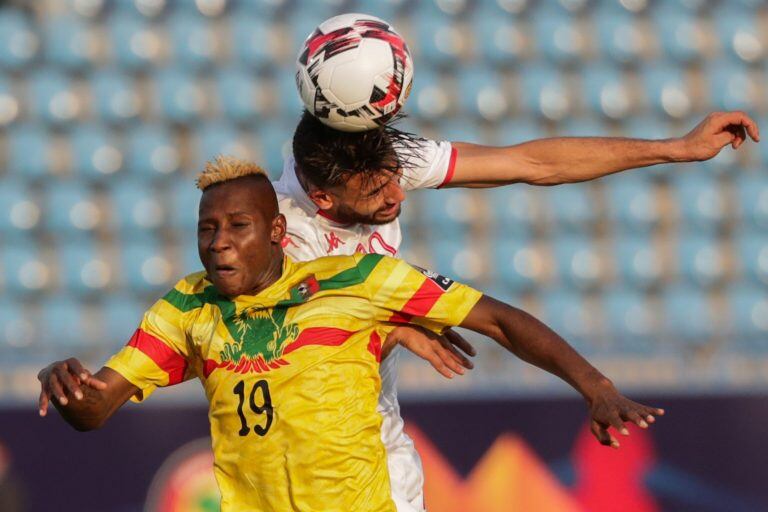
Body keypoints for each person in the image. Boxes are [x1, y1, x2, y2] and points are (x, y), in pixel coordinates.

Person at [38, 159, 664, 512]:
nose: (219, 242)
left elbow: (496, 318)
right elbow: (95, 409)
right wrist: (62, 382)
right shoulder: (187, 307)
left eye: (237, 226)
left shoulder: (358, 281)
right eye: (207, 229)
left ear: (279, 233)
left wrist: (595, 384)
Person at [275, 108, 760, 510]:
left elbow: (532, 162)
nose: (399, 194)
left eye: (397, 177)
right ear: (321, 198)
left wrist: (675, 148)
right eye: (378, 192)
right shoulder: (278, 239)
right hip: (293, 463)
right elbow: (271, 344)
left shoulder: (368, 161)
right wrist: (391, 328)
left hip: (377, 455)